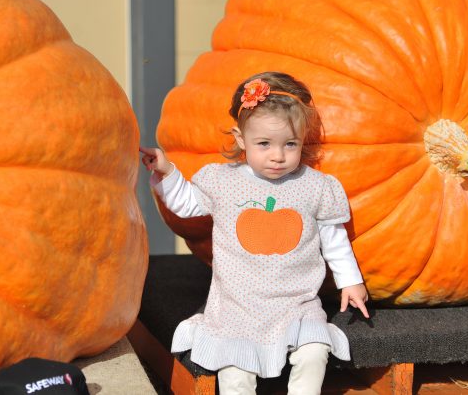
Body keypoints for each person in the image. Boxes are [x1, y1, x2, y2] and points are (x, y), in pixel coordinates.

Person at [140, 71, 369, 395]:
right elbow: (188, 204)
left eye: (290, 144)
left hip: (297, 304)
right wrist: (167, 172)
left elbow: (333, 237)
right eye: (264, 144)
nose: (278, 155)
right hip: (238, 307)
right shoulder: (224, 181)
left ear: (303, 138)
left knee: (314, 353)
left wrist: (350, 280)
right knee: (235, 372)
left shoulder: (314, 186)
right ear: (240, 138)